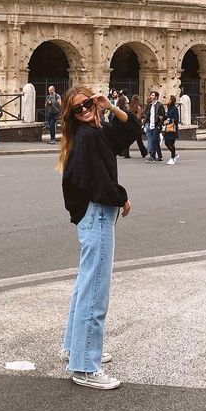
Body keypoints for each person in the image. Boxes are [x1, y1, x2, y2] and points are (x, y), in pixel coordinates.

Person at [58, 88, 137, 390]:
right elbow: (93, 180)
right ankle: (85, 366)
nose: (85, 110)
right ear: (71, 116)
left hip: (90, 215)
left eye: (88, 103)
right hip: (98, 214)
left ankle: (73, 347)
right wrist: (122, 198)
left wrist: (112, 107)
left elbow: (130, 131)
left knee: (84, 286)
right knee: (95, 292)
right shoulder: (88, 137)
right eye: (78, 109)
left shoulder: (95, 131)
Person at [122, 94, 148, 158]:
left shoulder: (129, 107)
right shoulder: (138, 107)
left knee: (128, 140)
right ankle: (144, 153)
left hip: (129, 125)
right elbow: (138, 117)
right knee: (139, 141)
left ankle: (126, 153)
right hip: (136, 125)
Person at [144, 91, 166, 163]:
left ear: (156, 97)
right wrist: (144, 123)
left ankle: (152, 157)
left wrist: (159, 125)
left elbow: (163, 116)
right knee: (156, 141)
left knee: (153, 140)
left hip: (157, 126)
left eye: (152, 95)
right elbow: (148, 115)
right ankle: (160, 156)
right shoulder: (150, 105)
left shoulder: (160, 105)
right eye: (151, 95)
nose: (151, 96)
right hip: (151, 125)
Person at [163, 94, 180, 164]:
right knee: (166, 142)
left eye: (169, 99)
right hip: (168, 128)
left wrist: (169, 120)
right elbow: (167, 116)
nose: (168, 100)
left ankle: (172, 158)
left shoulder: (175, 108)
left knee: (171, 143)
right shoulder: (169, 108)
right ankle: (175, 154)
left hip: (173, 128)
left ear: (171, 101)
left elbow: (176, 119)